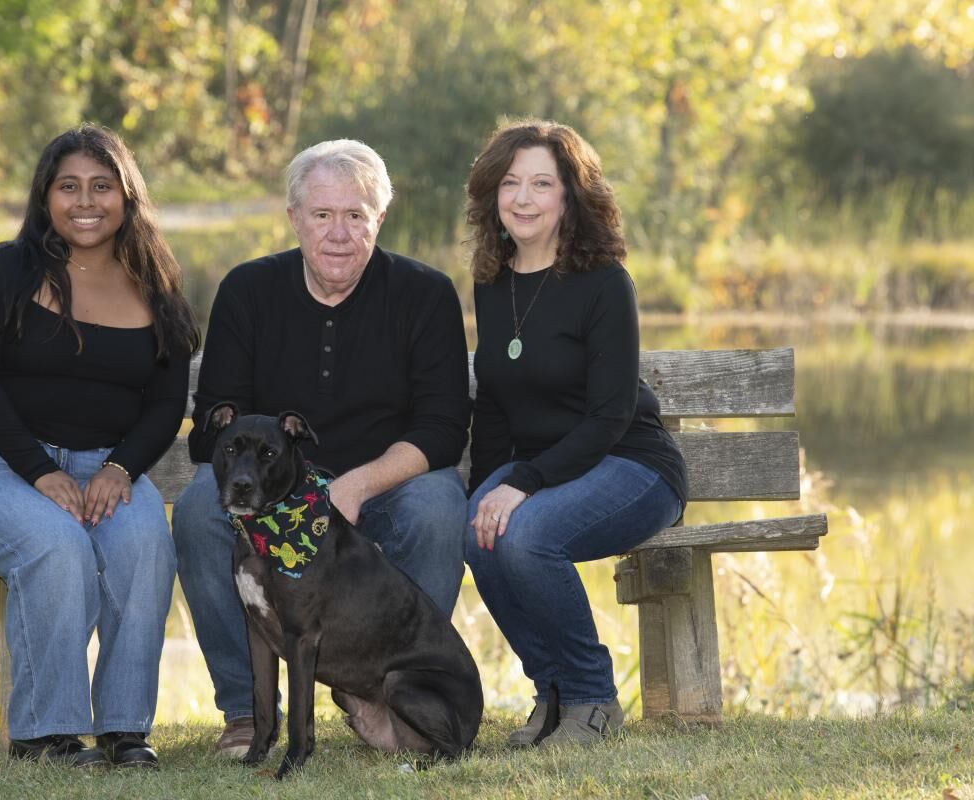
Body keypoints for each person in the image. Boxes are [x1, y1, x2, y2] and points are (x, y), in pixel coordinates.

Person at [172, 139, 471, 757]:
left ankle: (390, 691)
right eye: (323, 215)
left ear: (379, 219)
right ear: (294, 218)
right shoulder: (249, 291)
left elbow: (442, 428)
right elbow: (210, 434)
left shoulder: (426, 293)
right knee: (202, 509)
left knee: (438, 507)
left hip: (388, 484)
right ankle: (246, 713)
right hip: (280, 488)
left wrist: (355, 488)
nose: (339, 233)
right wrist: (289, 489)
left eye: (356, 215)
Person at [0, 124, 199, 769]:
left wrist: (120, 466)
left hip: (105, 469)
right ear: (45, 196)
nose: (86, 202)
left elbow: (166, 403)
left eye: (102, 187)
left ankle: (124, 730)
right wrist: (37, 469)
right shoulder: (6, 269)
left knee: (144, 546)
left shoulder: (154, 283)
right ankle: (46, 734)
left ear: (127, 197)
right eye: (69, 186)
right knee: (56, 546)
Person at [463, 119, 689, 747]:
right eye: (511, 183)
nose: (525, 199)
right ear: (492, 195)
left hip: (633, 467)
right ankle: (554, 692)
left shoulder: (603, 282)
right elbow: (498, 408)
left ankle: (594, 699)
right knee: (477, 532)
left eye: (542, 183)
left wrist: (523, 485)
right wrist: (486, 490)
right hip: (553, 466)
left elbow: (611, 415)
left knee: (527, 535)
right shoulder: (493, 279)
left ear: (570, 195)